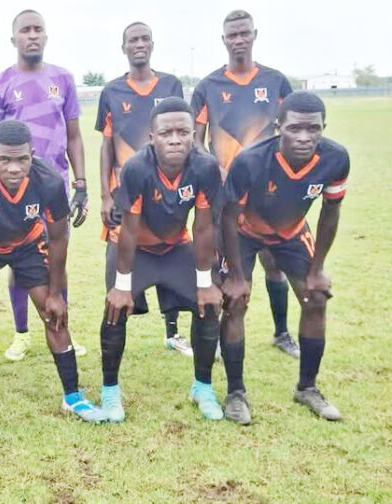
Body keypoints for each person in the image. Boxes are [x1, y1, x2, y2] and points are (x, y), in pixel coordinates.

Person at [0, 120, 105, 439]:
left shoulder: (49, 180)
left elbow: (59, 238)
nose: (14, 168)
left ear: (32, 155)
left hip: (28, 244)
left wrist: (56, 293)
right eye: (5, 160)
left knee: (54, 314)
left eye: (22, 159)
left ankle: (73, 397)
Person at [219, 92, 348, 424]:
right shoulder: (250, 161)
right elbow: (227, 217)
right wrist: (235, 277)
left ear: (323, 128)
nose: (304, 137)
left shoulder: (336, 159)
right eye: (294, 128)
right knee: (235, 301)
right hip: (244, 232)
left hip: (291, 233)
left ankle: (307, 388)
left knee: (316, 297)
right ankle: (235, 393)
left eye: (313, 129)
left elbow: (330, 212)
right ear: (279, 128)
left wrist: (317, 269)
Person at [102, 98, 223, 422]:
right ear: (152, 137)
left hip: (174, 246)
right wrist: (122, 286)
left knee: (208, 304)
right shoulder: (136, 168)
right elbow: (128, 230)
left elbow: (204, 226)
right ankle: (110, 391)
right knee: (115, 309)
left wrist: (205, 282)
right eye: (166, 133)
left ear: (193, 134)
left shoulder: (205, 167)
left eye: (183, 132)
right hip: (133, 248)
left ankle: (202, 387)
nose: (175, 140)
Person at [191, 9, 298, 357]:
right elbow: (196, 140)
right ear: (223, 40)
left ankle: (282, 333)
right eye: (232, 35)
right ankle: (222, 339)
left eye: (244, 33)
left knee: (274, 262)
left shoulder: (276, 81)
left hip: (269, 194)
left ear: (254, 35)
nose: (238, 40)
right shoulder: (208, 86)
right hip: (226, 194)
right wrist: (215, 168)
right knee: (226, 267)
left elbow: (291, 131)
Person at [0, 9, 88, 361]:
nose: (32, 35)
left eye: (38, 29)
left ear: (46, 36)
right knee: (19, 261)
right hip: (14, 190)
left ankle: (62, 329)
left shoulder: (64, 78)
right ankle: (22, 334)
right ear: (13, 38)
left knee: (57, 258)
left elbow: (74, 136)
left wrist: (81, 184)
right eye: (25, 30)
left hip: (54, 186)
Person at [95, 22, 189, 356]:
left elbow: (182, 134)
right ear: (123, 47)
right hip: (125, 194)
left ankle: (173, 333)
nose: (139, 44)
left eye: (144, 39)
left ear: (152, 44)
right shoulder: (112, 91)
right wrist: (105, 195)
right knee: (119, 262)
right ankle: (115, 337)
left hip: (166, 192)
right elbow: (106, 145)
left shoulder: (171, 84)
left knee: (171, 253)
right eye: (132, 40)